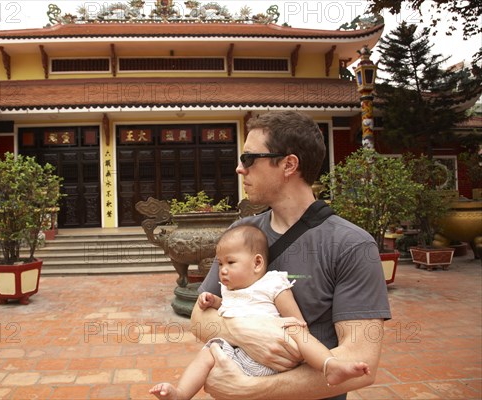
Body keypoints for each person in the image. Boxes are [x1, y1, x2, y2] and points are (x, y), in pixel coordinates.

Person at [191, 110, 391, 400]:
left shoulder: (351, 246)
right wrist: (241, 333)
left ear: (288, 164)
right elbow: (198, 317)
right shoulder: (241, 234)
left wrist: (251, 390)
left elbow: (361, 362)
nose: (239, 168)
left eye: (248, 158)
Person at [149, 225, 371, 400]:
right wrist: (212, 300)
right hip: (239, 359)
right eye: (220, 263)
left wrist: (295, 330)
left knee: (297, 331)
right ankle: (181, 393)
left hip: (277, 356)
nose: (223, 270)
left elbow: (295, 319)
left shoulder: (271, 283)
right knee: (210, 350)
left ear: (257, 263)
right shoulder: (228, 290)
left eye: (230, 262)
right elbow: (221, 308)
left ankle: (329, 366)